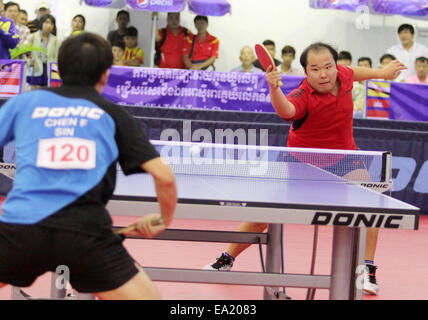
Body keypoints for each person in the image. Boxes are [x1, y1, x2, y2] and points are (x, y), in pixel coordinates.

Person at [203, 42, 406, 297]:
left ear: (335, 65)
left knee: (370, 203)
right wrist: (274, 88)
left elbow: (353, 71)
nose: (323, 74)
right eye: (315, 69)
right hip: (302, 161)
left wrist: (382, 72)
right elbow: (285, 110)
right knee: (263, 214)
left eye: (328, 67)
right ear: (306, 73)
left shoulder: (342, 75)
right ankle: (227, 258)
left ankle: (367, 267)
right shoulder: (303, 94)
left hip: (344, 156)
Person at [0, 32, 177, 300]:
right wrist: (163, 219)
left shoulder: (24, 103)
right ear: (106, 74)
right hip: (85, 237)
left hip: (21, 231)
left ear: (58, 69)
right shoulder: (114, 114)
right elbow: (164, 177)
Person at [26, 14, 59, 89]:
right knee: (35, 91)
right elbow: (25, 53)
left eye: (51, 23)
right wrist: (29, 62)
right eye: (46, 22)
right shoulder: (33, 37)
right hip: (36, 67)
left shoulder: (55, 40)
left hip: (49, 69)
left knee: (48, 91)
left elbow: (56, 57)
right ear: (41, 23)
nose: (49, 25)